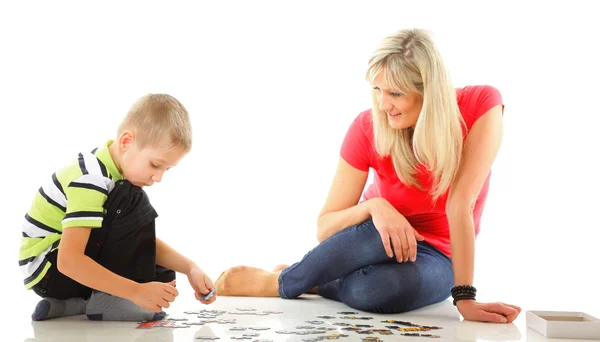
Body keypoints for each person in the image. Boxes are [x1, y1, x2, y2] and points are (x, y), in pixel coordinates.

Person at [214, 28, 522, 324]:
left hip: (439, 254)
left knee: (379, 290)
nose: (382, 103)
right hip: (373, 238)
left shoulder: (481, 106)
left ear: (430, 92)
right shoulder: (366, 127)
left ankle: (318, 281)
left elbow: (460, 204)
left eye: (395, 93)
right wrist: (374, 208)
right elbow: (326, 227)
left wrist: (465, 298)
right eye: (377, 89)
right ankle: (286, 281)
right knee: (374, 233)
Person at [19, 93, 217, 322]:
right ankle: (106, 302)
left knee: (159, 271)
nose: (158, 177)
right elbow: (69, 261)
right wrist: (136, 292)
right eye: (155, 165)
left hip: (54, 277)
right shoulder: (92, 179)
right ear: (126, 142)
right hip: (51, 270)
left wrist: (190, 267)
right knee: (134, 200)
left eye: (167, 169)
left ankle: (73, 305)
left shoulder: (108, 172)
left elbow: (138, 241)